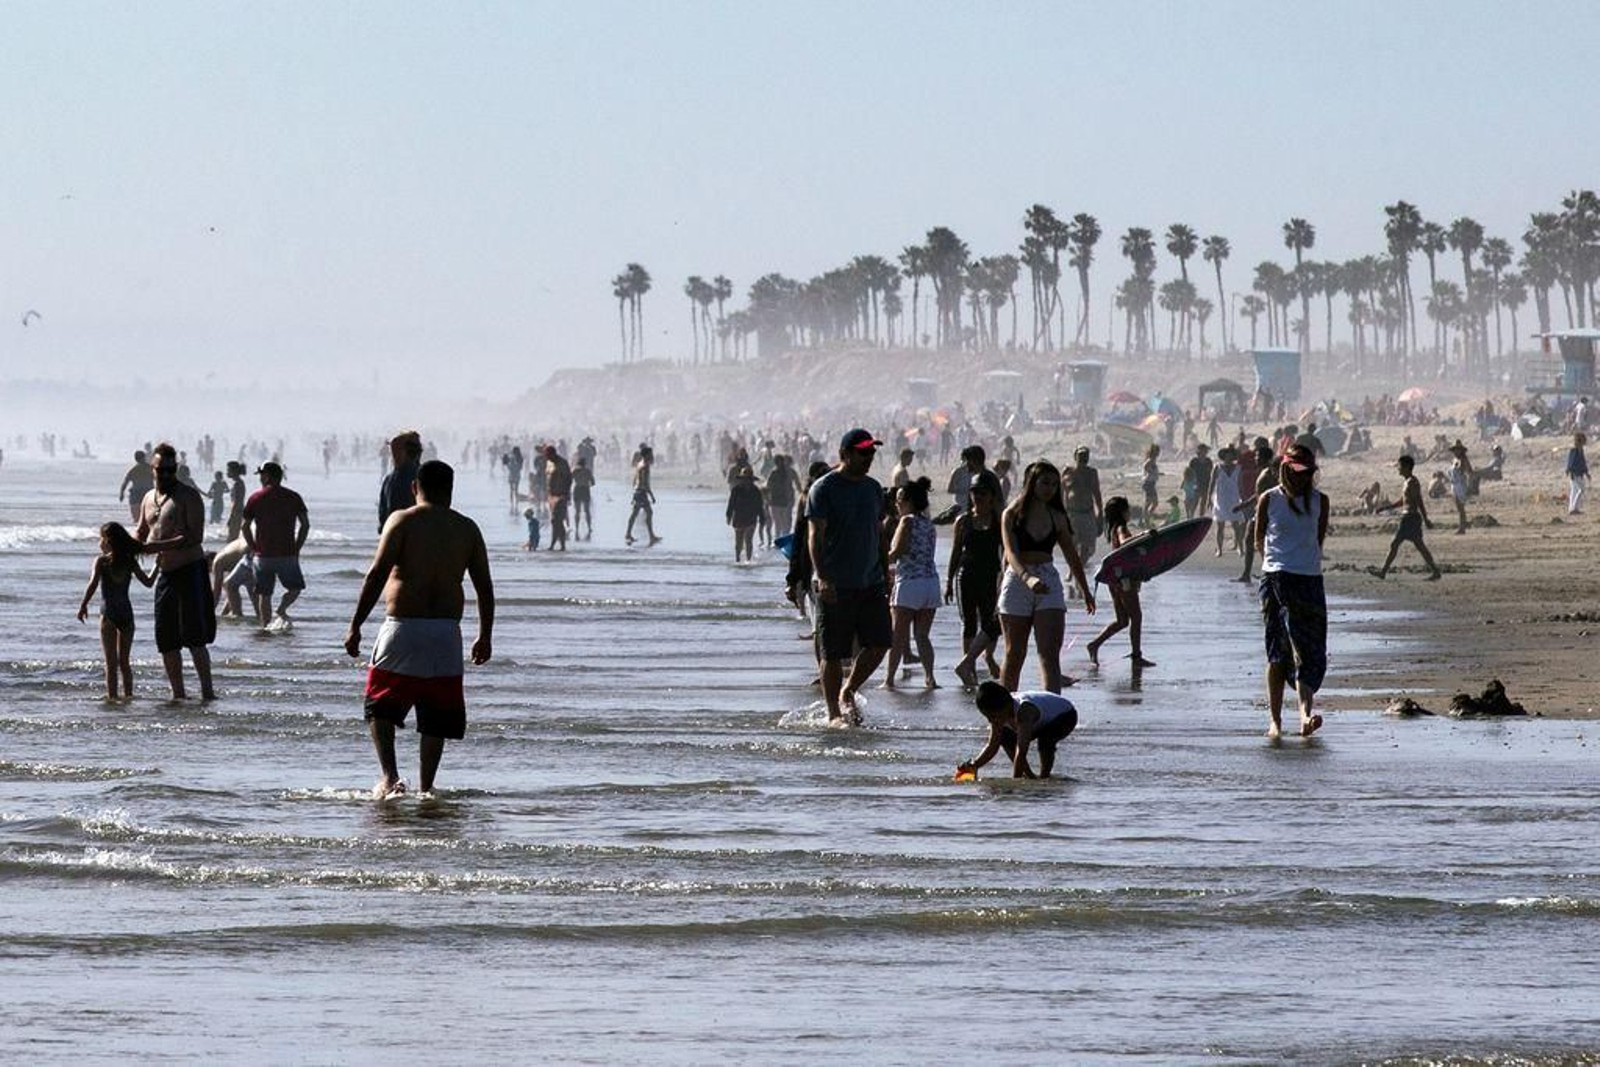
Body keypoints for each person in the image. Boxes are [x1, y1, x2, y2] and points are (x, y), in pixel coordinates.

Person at [345, 460, 494, 799]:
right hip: (445, 633)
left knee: (380, 705)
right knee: (436, 712)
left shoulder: (402, 520)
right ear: (451, 491)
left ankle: (390, 777)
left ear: (415, 487)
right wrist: (485, 635)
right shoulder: (467, 528)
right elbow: (484, 587)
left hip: (403, 628)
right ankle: (427, 787)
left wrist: (355, 625)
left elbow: (377, 574)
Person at [806, 429, 892, 724]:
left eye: (872, 452)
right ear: (845, 454)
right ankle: (833, 714)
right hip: (837, 584)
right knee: (832, 652)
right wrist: (823, 577)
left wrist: (885, 570)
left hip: (871, 581)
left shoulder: (873, 488)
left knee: (880, 642)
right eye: (863, 452)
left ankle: (849, 689)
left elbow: (879, 534)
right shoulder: (824, 488)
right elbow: (815, 536)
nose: (869, 457)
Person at [997, 460, 1095, 694]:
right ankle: (1004, 717)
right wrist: (1027, 578)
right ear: (1031, 483)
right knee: (1014, 653)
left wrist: (1085, 589)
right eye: (1044, 483)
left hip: (1048, 580)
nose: (1049, 488)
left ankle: (1052, 713)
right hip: (1017, 581)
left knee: (1049, 655)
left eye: (1054, 484)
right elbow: (1010, 553)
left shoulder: (1057, 517)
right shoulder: (1011, 514)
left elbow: (1072, 555)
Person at [1253, 444, 1329, 739]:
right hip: (1276, 580)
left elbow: (1317, 540)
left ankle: (1305, 715)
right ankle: (1274, 721)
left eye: (1308, 473)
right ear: (1285, 469)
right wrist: (1274, 564)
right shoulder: (1268, 499)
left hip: (1309, 580)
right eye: (1298, 472)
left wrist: (1301, 560)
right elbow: (1259, 538)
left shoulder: (1320, 501)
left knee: (1308, 652)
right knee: (1277, 653)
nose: (1303, 478)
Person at [135, 443, 217, 701]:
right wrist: (125, 547)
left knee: (194, 637)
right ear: (153, 468)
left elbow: (195, 536)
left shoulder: (188, 496)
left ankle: (207, 692)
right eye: (161, 470)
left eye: (171, 470)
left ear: (176, 469)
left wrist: (157, 546)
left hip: (190, 570)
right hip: (165, 574)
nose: (166, 475)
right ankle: (178, 693)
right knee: (166, 638)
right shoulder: (149, 498)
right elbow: (141, 532)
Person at [77, 522, 155, 700]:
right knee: (124, 663)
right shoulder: (129, 561)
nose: (99, 542)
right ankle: (129, 697)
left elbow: (93, 584)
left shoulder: (101, 561)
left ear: (108, 541)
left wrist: (83, 605)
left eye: (101, 538)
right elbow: (149, 583)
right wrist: (158, 565)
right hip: (127, 614)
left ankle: (112, 698)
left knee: (111, 664)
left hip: (108, 615)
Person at [946, 474, 1004, 690]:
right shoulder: (963, 521)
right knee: (969, 622)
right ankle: (968, 665)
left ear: (991, 496)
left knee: (991, 622)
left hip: (990, 577)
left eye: (983, 493)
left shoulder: (999, 521)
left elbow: (1005, 553)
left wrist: (1005, 578)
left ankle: (988, 657)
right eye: (975, 492)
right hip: (966, 576)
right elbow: (955, 552)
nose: (978, 497)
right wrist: (949, 581)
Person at [882, 476, 940, 690]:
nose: (896, 504)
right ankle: (930, 678)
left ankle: (888, 679)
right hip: (930, 583)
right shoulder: (929, 524)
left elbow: (897, 552)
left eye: (899, 500)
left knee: (898, 636)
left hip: (909, 584)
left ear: (908, 501)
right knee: (922, 636)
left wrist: (878, 559)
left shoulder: (906, 521)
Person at [956, 681, 1078, 780]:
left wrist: (1016, 783)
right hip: (1039, 722)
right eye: (986, 716)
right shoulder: (998, 716)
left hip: (1065, 715)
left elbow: (1022, 751)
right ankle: (1030, 776)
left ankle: (1044, 776)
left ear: (1006, 707)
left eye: (992, 716)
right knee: (1005, 737)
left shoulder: (1024, 711)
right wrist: (974, 765)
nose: (990, 720)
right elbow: (992, 746)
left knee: (1045, 741)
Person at [1085, 497, 1153, 667]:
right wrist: (1143, 535)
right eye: (1127, 509)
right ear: (1123, 512)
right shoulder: (1121, 528)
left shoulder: (1113, 528)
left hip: (1115, 579)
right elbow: (1125, 543)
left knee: (1122, 620)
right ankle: (1136, 656)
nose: (1130, 512)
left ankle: (1094, 645)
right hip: (1124, 579)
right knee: (1136, 617)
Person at [240, 461, 310, 628]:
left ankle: (265, 627)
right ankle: (281, 609)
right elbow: (305, 524)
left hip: (263, 556)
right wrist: (297, 547)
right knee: (295, 589)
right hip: (287, 554)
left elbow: (244, 526)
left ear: (267, 476)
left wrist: (254, 546)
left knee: (264, 594)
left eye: (262, 475)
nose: (260, 479)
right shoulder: (293, 497)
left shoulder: (255, 498)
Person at [1375, 454, 1442, 581]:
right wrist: (1386, 508)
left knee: (1395, 544)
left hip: (1410, 518)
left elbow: (1418, 500)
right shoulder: (1407, 482)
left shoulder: (1412, 482)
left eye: (1399, 466)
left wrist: (1426, 519)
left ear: (1406, 467)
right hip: (1409, 517)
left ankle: (1383, 572)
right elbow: (1403, 501)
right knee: (1419, 546)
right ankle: (1435, 571)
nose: (1398, 469)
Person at [1063, 446, 1103, 565]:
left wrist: (1100, 514)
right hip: (1072, 514)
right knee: (1072, 546)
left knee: (1087, 547)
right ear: (1075, 457)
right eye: (1080, 456)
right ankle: (1073, 572)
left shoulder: (1091, 473)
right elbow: (1061, 492)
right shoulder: (1068, 472)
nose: (1083, 458)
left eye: (1085, 456)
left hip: (1087, 513)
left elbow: (1097, 494)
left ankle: (1078, 569)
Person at [379, 431, 423, 533]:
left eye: (394, 451)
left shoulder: (391, 480)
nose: (392, 455)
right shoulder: (425, 475)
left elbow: (383, 522)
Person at [1208, 446, 1244, 555]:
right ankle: (1219, 549)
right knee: (1220, 526)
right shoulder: (1217, 467)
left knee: (1235, 525)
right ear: (1224, 455)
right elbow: (1212, 483)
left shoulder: (1238, 468)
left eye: (1231, 454)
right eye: (1227, 454)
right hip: (1220, 499)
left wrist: (1242, 499)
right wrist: (1209, 498)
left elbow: (1240, 484)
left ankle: (1240, 548)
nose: (1229, 456)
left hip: (1234, 499)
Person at [726, 465, 764, 562]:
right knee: (739, 541)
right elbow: (731, 504)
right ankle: (738, 558)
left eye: (748, 479)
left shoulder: (756, 491)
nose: (746, 481)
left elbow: (760, 506)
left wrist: (762, 518)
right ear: (741, 479)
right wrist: (728, 515)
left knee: (748, 540)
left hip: (751, 518)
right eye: (744, 479)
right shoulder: (736, 490)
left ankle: (748, 560)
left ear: (751, 480)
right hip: (738, 517)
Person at [625, 445, 661, 545]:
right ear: (647, 455)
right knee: (648, 512)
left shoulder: (640, 464)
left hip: (638, 491)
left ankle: (629, 534)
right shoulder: (645, 466)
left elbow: (635, 479)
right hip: (642, 492)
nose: (652, 456)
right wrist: (651, 495)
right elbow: (644, 482)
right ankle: (651, 536)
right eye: (650, 454)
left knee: (635, 513)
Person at [943, 445, 989, 517]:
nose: (966, 463)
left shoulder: (982, 472)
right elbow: (950, 489)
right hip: (961, 506)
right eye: (964, 460)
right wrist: (964, 491)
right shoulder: (958, 472)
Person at [543, 445, 572, 551]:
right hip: (551, 496)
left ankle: (561, 545)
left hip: (561, 495)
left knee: (557, 520)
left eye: (548, 456)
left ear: (553, 454)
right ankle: (554, 544)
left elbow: (569, 479)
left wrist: (565, 494)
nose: (547, 458)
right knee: (554, 521)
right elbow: (547, 478)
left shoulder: (562, 463)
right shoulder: (549, 463)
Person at [118, 450, 153, 523]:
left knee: (137, 520)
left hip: (136, 494)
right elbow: (160, 480)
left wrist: (121, 493)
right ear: (144, 457)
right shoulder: (151, 468)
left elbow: (125, 483)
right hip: (147, 493)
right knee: (149, 518)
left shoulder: (134, 470)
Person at [1181, 444, 1213, 520]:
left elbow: (1210, 472)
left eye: (1205, 451)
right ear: (1199, 451)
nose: (1204, 452)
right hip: (1195, 483)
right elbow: (1188, 472)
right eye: (1202, 450)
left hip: (1206, 483)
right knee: (1195, 501)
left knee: (1203, 502)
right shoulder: (1194, 461)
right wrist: (1184, 482)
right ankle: (1190, 517)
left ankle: (1201, 517)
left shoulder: (1209, 461)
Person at [1448, 441, 1472, 534]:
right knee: (1459, 507)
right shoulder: (1454, 460)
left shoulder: (1464, 459)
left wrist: (1469, 486)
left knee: (1460, 507)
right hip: (1454, 485)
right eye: (1455, 450)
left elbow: (1469, 472)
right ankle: (1462, 526)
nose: (1456, 452)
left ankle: (1462, 527)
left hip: (1460, 485)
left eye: (1457, 450)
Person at [571, 456, 595, 540]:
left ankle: (577, 528)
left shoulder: (574, 470)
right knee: (587, 510)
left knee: (577, 511)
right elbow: (593, 483)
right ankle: (589, 527)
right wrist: (587, 483)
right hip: (585, 489)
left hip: (577, 489)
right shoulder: (588, 471)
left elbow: (570, 481)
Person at [1567, 432, 1588, 516]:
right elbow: (1570, 462)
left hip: (1579, 473)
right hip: (1574, 473)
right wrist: (1570, 471)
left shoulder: (1581, 450)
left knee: (1574, 491)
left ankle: (1572, 508)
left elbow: (1583, 463)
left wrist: (1586, 472)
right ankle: (1574, 508)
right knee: (1580, 490)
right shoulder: (1574, 450)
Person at [225, 461, 247, 541]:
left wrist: (231, 517)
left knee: (232, 537)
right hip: (238, 511)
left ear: (234, 471)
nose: (227, 472)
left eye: (228, 470)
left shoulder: (237, 484)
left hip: (236, 512)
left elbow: (236, 501)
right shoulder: (239, 483)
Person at [1140, 444, 1161, 527]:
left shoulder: (1153, 460)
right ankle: (1146, 521)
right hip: (1148, 484)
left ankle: (1147, 518)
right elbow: (1145, 466)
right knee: (1150, 503)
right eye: (1157, 451)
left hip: (1151, 484)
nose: (1158, 453)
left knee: (1154, 503)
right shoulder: (1150, 460)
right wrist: (1150, 472)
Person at [503, 445, 525, 512]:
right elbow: (520, 468)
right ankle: (516, 504)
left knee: (511, 490)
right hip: (517, 475)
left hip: (511, 475)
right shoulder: (520, 458)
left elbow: (508, 467)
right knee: (516, 490)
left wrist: (508, 464)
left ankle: (512, 504)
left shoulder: (512, 458)